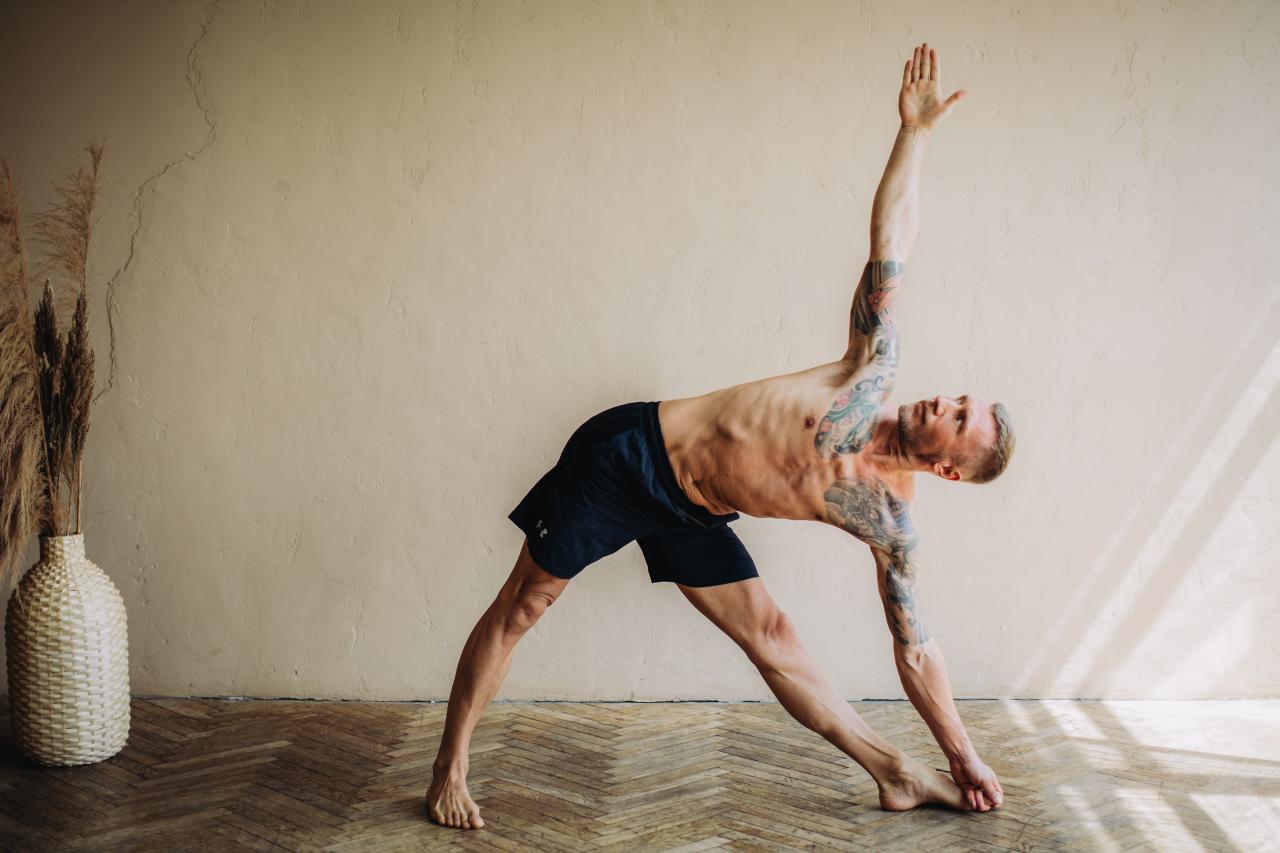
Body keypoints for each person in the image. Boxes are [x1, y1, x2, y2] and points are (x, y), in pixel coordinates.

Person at [428, 42, 1014, 831]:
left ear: (947, 465)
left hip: (692, 511)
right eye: (958, 397)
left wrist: (964, 752)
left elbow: (917, 650)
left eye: (958, 418)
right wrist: (914, 135)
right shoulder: (871, 368)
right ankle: (448, 767)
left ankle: (898, 772)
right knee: (525, 604)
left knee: (774, 637)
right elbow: (892, 243)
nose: (943, 401)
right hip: (629, 457)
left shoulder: (891, 523)